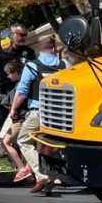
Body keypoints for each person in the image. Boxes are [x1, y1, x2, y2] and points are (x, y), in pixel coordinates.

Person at [10, 36, 67, 193]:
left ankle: (41, 175)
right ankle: (52, 177)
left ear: (39, 50)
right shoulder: (64, 66)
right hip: (61, 113)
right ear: (54, 49)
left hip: (39, 111)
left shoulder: (32, 66)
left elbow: (22, 91)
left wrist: (13, 109)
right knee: (53, 145)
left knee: (23, 140)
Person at [0, 24, 35, 160]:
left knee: (19, 128)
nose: (23, 38)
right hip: (3, 94)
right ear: (12, 35)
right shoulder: (2, 52)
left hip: (21, 96)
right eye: (20, 35)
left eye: (24, 35)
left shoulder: (28, 52)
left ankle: (18, 158)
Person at [1, 61, 32, 183]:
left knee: (7, 142)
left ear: (16, 72)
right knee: (26, 144)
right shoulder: (23, 84)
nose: (8, 76)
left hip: (20, 119)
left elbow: (11, 101)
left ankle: (22, 168)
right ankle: (27, 172)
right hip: (22, 118)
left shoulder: (19, 86)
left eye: (9, 74)